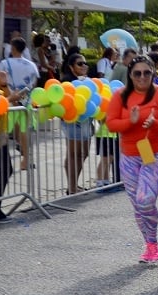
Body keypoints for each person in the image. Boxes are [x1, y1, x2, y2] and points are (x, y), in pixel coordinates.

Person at [106, 55, 158, 263]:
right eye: (137, 73)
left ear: (153, 73)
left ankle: (152, 241)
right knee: (138, 205)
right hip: (129, 156)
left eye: (147, 72)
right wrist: (130, 121)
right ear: (130, 74)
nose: (142, 77)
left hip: (156, 154)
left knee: (144, 199)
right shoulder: (120, 96)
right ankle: (151, 245)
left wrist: (155, 123)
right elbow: (111, 124)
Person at [0, 37, 39, 171]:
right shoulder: (31, 65)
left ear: (13, 48)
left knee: (4, 131)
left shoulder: (4, 63)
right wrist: (23, 95)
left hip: (8, 102)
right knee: (24, 130)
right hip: (25, 102)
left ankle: (6, 159)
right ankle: (26, 159)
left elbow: (0, 81)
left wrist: (12, 96)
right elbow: (34, 83)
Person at [60, 53, 93, 195]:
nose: (84, 66)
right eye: (80, 63)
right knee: (73, 154)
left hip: (87, 120)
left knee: (83, 153)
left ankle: (74, 184)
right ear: (71, 67)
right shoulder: (67, 82)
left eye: (85, 63)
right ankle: (71, 186)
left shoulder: (88, 81)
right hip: (72, 121)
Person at [0, 83, 26, 223]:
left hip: (0, 136)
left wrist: (5, 87)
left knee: (5, 169)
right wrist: (10, 98)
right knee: (5, 169)